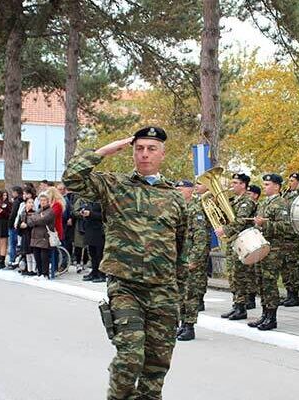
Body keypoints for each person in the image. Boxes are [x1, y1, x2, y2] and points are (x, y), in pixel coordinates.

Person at [63, 126, 187, 400]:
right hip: (126, 287)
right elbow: (72, 179)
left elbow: (181, 248)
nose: (144, 154)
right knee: (130, 358)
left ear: (162, 154)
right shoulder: (114, 185)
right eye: (139, 148)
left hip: (164, 289)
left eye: (151, 149)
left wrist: (184, 297)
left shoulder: (176, 197)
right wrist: (106, 150)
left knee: (157, 365)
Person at [247, 173, 299, 331]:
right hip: (261, 246)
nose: (264, 187)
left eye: (267, 185)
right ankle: (264, 314)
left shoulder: (281, 203)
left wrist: (264, 225)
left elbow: (286, 227)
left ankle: (272, 317)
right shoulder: (264, 203)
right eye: (264, 184)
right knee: (261, 282)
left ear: (277, 186)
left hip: (274, 250)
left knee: (270, 282)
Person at [214, 172, 257, 319]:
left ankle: (241, 307)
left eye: (234, 183)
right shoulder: (235, 200)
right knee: (233, 275)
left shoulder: (247, 201)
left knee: (239, 275)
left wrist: (224, 230)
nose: (232, 185)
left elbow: (240, 221)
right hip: (234, 242)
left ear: (243, 185)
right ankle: (236, 305)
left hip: (242, 242)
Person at [176, 180, 212, 341]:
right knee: (180, 293)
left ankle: (189, 327)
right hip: (180, 258)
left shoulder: (196, 210)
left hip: (191, 258)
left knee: (190, 294)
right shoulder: (178, 208)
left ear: (190, 191)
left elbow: (201, 238)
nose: (177, 191)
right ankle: (182, 324)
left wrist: (194, 260)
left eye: (180, 188)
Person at [22, 192, 55, 279]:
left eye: (44, 200)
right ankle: (39, 273)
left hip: (44, 236)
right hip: (35, 236)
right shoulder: (38, 210)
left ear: (48, 201)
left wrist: (34, 219)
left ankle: (45, 274)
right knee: (37, 255)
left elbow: (43, 220)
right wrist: (36, 218)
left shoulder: (50, 211)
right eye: (41, 200)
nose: (43, 202)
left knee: (44, 257)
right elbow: (29, 221)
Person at [81, 199, 106, 283]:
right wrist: (83, 212)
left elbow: (104, 216)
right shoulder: (89, 201)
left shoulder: (102, 201)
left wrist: (91, 214)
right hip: (90, 230)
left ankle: (101, 274)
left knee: (100, 254)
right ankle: (94, 272)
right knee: (92, 254)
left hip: (99, 231)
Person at [47, 187, 66, 276]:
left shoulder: (57, 205)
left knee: (54, 250)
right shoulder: (54, 204)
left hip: (56, 230)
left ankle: (54, 268)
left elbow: (51, 215)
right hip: (52, 229)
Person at [7, 186, 23, 267]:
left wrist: (9, 224)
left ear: (16, 192)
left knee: (12, 243)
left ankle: (12, 260)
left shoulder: (17, 201)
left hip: (13, 225)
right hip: (17, 225)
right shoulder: (21, 201)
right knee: (17, 243)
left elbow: (13, 214)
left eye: (13, 192)